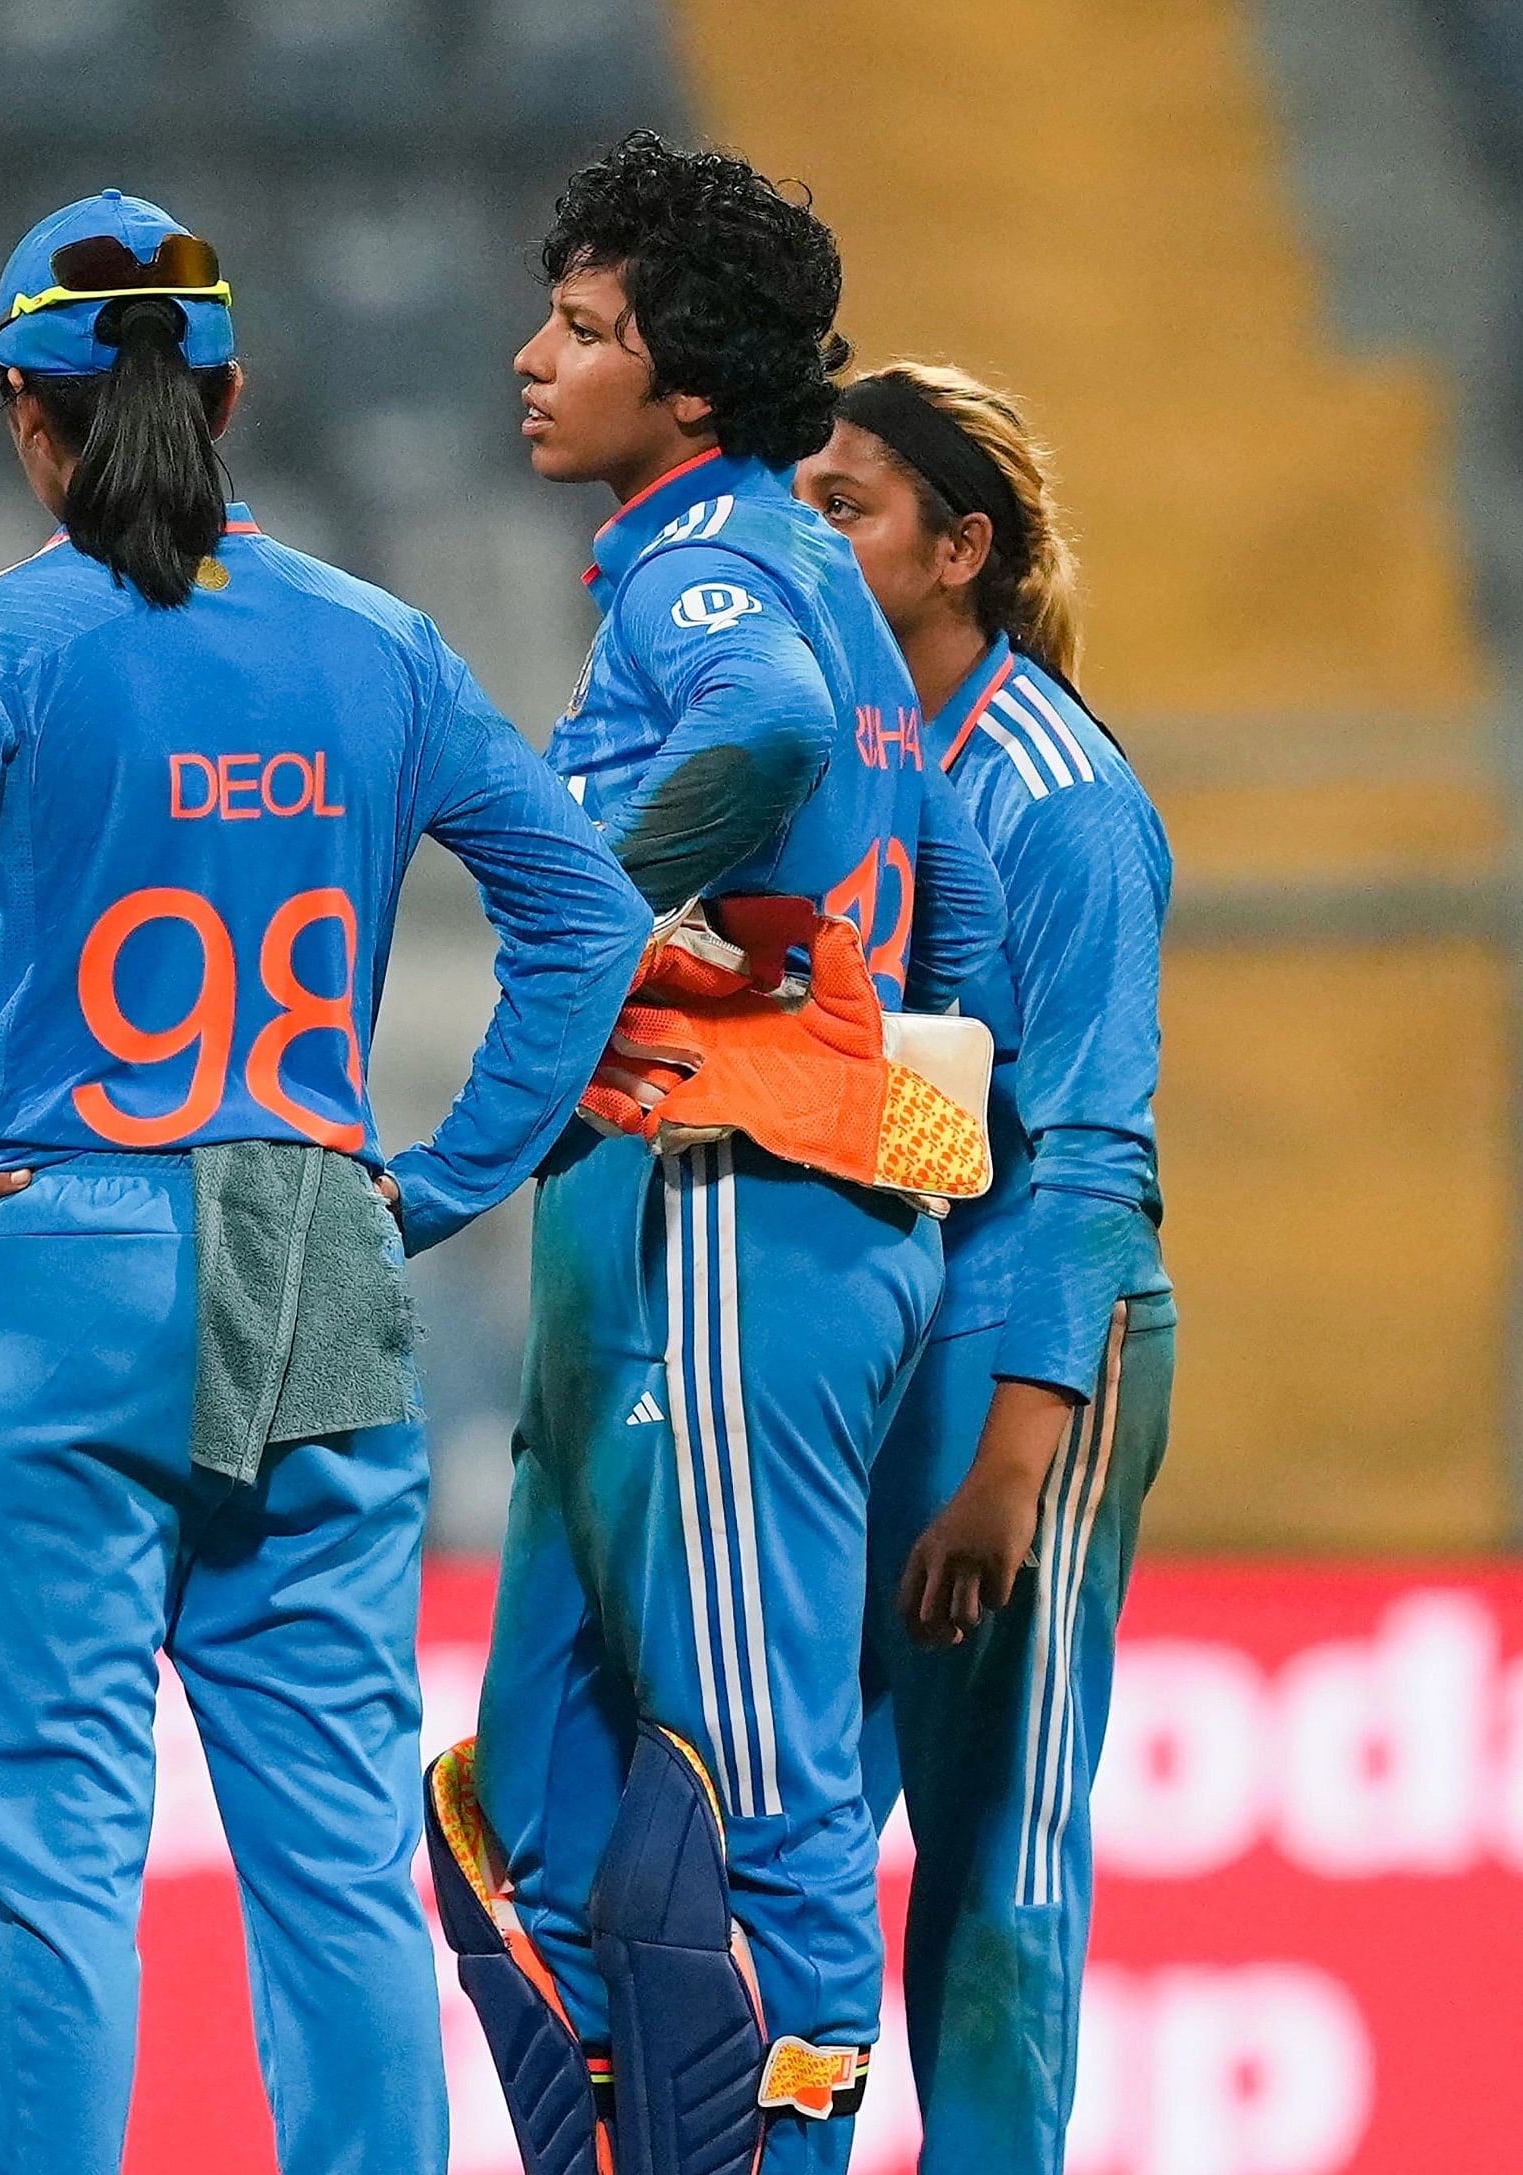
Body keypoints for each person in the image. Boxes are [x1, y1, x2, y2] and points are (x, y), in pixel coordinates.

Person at [0, 189, 645, 2175]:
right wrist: (421, 1186)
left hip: (48, 1263)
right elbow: (581, 925)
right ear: (229, 391)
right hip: (314, 1252)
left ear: (22, 406)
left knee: (54, 1872)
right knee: (335, 1854)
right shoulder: (382, 646)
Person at [433, 134, 1004, 2175]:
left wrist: (589, 904)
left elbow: (752, 733)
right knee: (533, 1816)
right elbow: (934, 905)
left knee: (753, 1808)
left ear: (680, 392)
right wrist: (898, 1125)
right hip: (734, 1220)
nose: (530, 358)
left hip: (721, 1227)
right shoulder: (802, 583)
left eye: (579, 330)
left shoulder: (710, 564)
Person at [798, 364, 1172, 2174]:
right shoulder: (847, 747)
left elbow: (1093, 1163)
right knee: (797, 1829)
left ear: (960, 552)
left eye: (843, 510)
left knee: (997, 1838)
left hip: (1029, 1335)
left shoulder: (1063, 796)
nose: (806, 536)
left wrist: (1012, 1463)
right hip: (884, 1322)